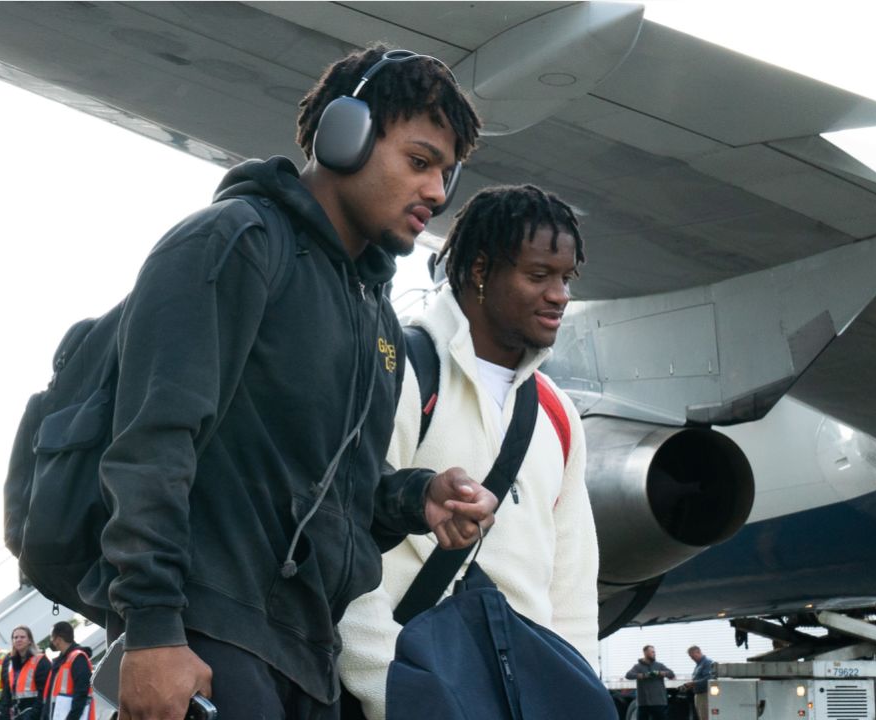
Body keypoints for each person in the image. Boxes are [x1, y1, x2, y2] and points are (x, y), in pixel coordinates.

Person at [82, 45, 493, 720]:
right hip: (209, 637)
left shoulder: (378, 323)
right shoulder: (234, 243)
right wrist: (153, 631)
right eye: (420, 162)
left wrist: (417, 500)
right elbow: (150, 447)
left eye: (446, 174)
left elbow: (338, 504)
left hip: (309, 661)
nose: (437, 193)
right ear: (345, 135)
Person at [338, 184, 599, 719]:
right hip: (403, 698)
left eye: (566, 278)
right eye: (538, 275)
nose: (559, 295)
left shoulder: (559, 415)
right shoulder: (402, 370)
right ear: (481, 270)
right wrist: (394, 696)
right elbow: (341, 544)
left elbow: (570, 591)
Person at [0, 625, 51, 720]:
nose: (18, 640)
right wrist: (3, 714)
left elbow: (44, 692)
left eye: (22, 637)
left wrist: (32, 715)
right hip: (17, 713)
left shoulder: (40, 660)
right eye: (15, 637)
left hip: (35, 713)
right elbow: (7, 692)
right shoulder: (10, 662)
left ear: (30, 640)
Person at [44, 622, 92, 720]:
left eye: (52, 638)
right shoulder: (62, 661)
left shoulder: (77, 658)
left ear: (58, 639)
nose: (51, 641)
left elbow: (81, 694)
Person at [626, 645, 675, 720]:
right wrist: (643, 675)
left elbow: (671, 674)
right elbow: (628, 675)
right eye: (652, 652)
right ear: (645, 653)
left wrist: (661, 673)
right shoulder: (638, 667)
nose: (654, 654)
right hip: (643, 703)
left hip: (658, 702)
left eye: (654, 652)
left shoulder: (659, 665)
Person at [683, 645, 714, 720]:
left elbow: (709, 678)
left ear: (699, 652)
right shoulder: (699, 664)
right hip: (699, 694)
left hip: (705, 694)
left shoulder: (707, 662)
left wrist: (693, 683)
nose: (692, 659)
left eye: (693, 656)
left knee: (706, 717)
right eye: (691, 657)